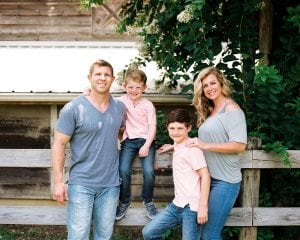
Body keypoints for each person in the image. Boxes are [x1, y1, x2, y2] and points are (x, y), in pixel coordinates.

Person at [160, 66, 247, 239]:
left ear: (221, 83)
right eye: (205, 85)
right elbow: (203, 139)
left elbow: (239, 145)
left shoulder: (232, 109)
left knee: (210, 235)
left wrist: (205, 145)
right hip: (208, 181)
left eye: (213, 83)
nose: (210, 88)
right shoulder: (211, 110)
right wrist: (176, 144)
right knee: (202, 232)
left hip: (225, 182)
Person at [52, 59, 126, 240]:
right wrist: (59, 182)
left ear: (113, 79)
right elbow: (59, 144)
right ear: (89, 78)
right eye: (98, 74)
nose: (102, 78)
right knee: (78, 235)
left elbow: (121, 132)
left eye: (106, 75)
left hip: (110, 184)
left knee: (104, 235)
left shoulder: (119, 108)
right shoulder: (73, 108)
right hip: (81, 183)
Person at [142, 109, 210, 240]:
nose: (175, 132)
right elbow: (179, 142)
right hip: (177, 205)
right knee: (149, 232)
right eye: (172, 128)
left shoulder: (193, 149)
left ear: (189, 128)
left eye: (180, 128)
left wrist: (202, 207)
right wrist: (172, 146)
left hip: (192, 208)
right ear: (167, 127)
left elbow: (205, 175)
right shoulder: (179, 144)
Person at [115, 69, 158, 220]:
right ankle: (124, 201)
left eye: (138, 87)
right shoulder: (120, 101)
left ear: (144, 88)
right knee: (123, 170)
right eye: (131, 87)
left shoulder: (148, 105)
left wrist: (146, 145)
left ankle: (148, 201)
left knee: (148, 171)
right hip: (128, 141)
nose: (134, 91)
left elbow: (152, 126)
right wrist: (87, 91)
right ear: (124, 86)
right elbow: (102, 99)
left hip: (146, 141)